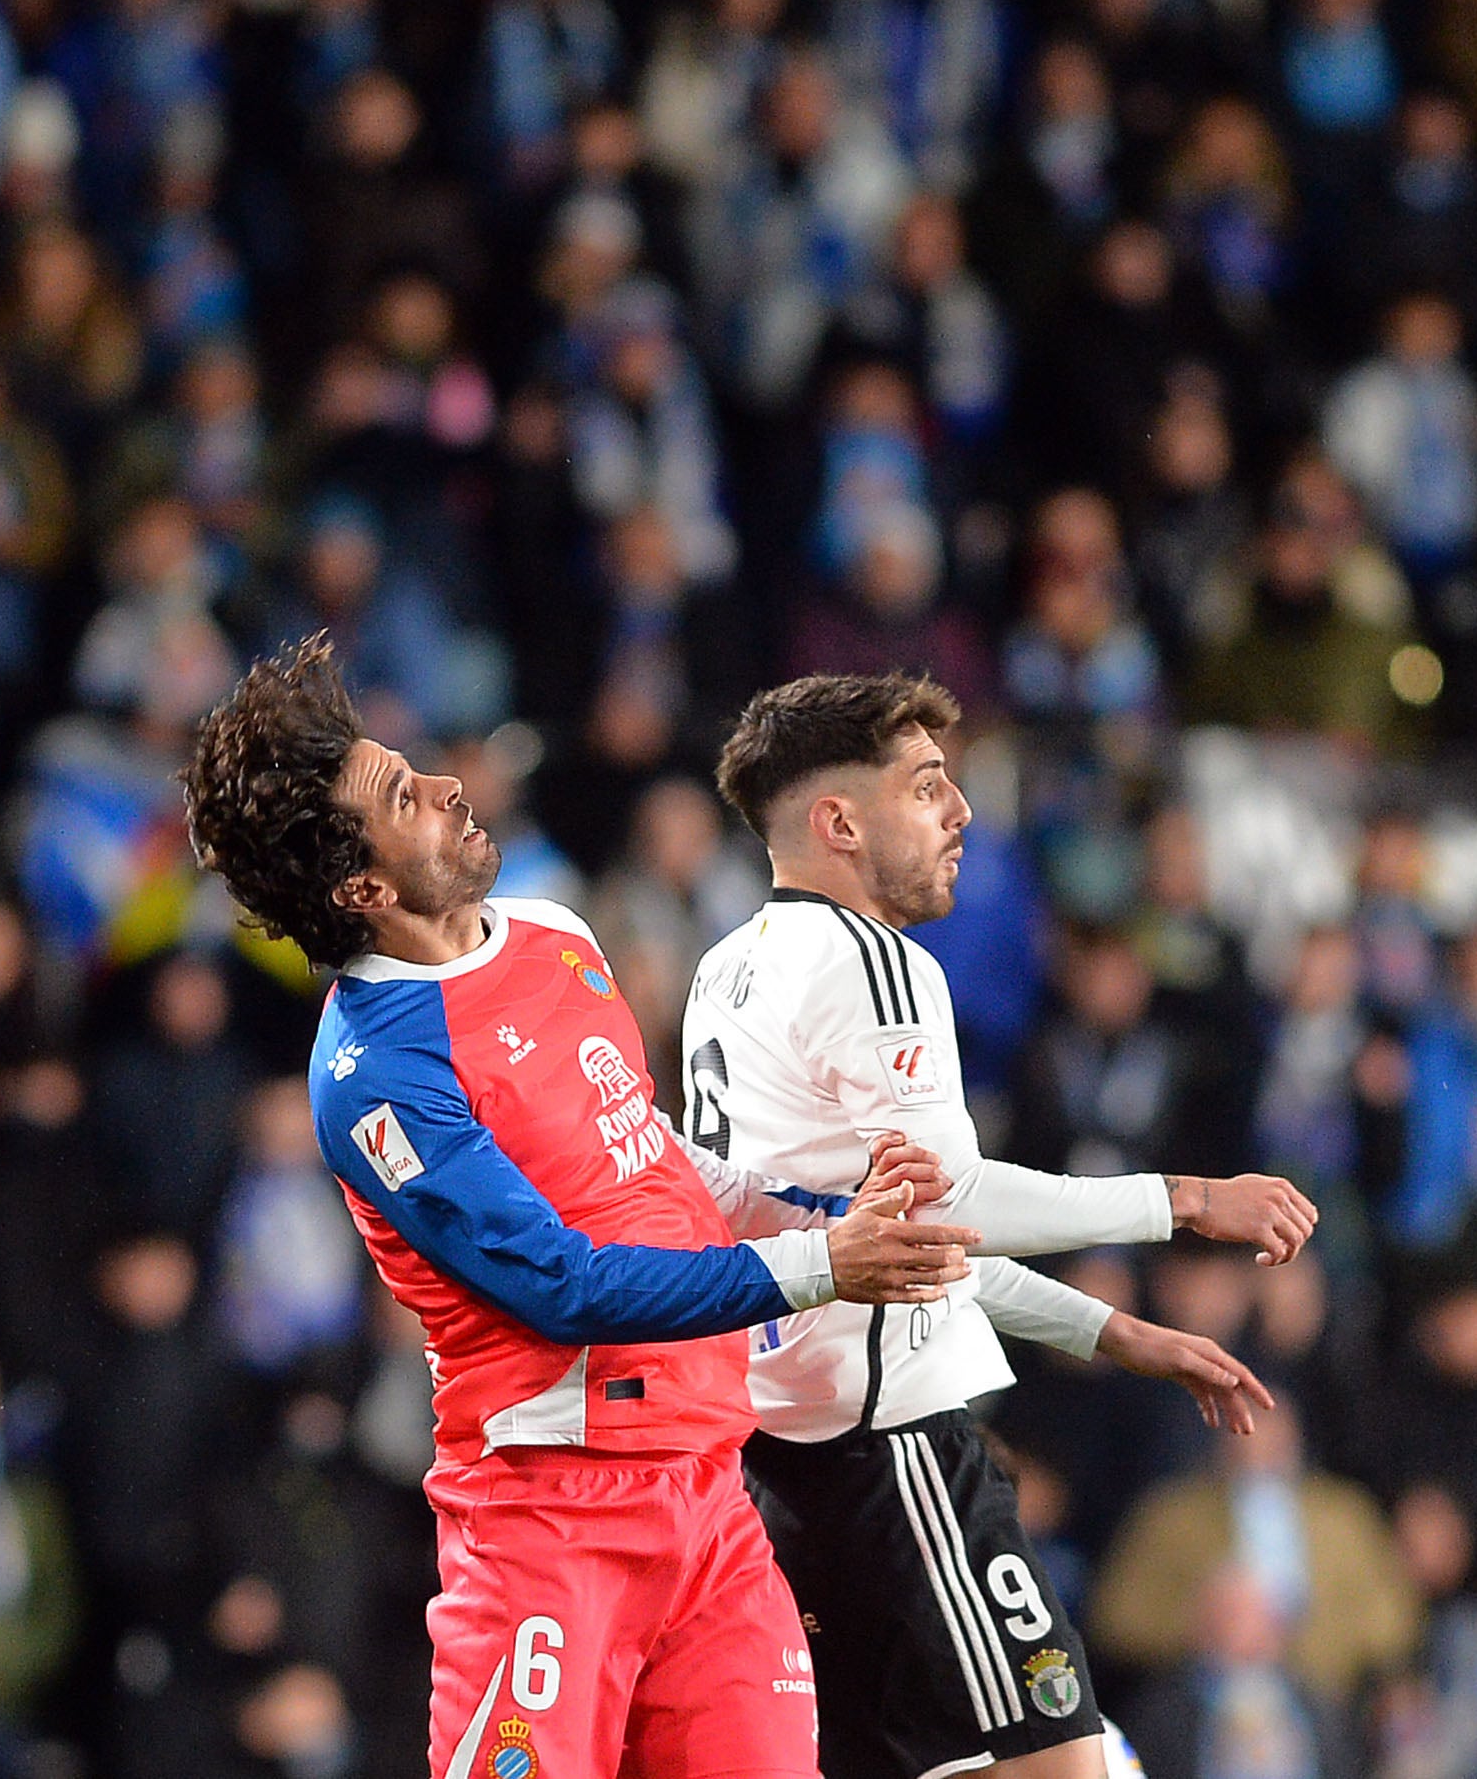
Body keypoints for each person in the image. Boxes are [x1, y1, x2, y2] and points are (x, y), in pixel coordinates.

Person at [177, 635, 983, 1779]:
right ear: (362, 887)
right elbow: (561, 1282)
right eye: (407, 794)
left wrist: (807, 1208)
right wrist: (819, 1262)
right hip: (553, 1520)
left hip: (708, 1492)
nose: (450, 783)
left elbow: (645, 1159)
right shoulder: (379, 1076)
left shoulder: (553, 933)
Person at [680, 672, 1317, 1779]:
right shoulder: (874, 960)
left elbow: (884, 1241)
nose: (960, 811)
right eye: (926, 786)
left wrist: (1111, 1333)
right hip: (897, 1459)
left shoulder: (723, 969)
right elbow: (952, 1203)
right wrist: (1183, 1199)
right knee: (1074, 1767)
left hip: (782, 1460)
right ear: (837, 820)